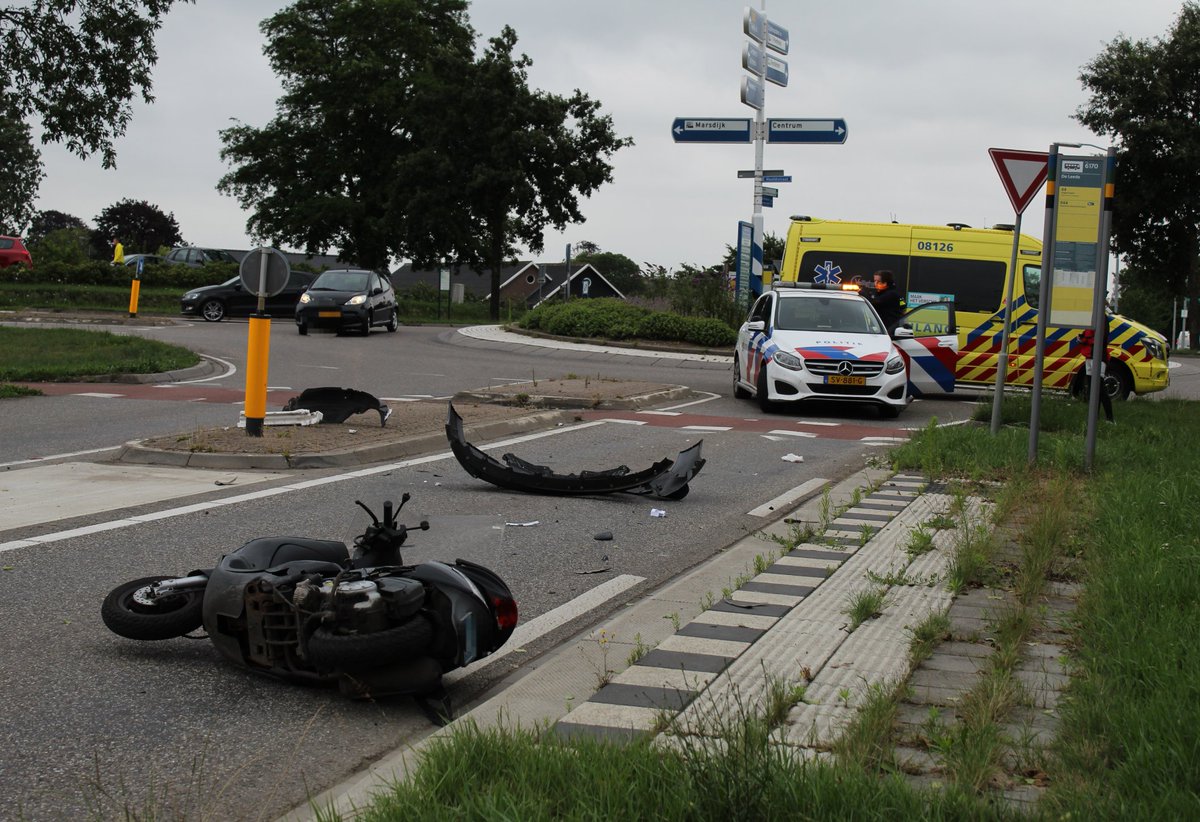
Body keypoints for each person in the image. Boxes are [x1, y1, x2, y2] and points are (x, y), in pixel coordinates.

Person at [1079, 326, 1114, 423]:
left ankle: (1110, 418)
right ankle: (1095, 417)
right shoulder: (1091, 317)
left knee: (1100, 388)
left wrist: (1085, 340)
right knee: (1092, 389)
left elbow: (1102, 338)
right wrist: (1082, 339)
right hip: (1089, 356)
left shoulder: (1101, 317)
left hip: (1098, 357)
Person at [869, 269, 904, 334]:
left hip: (888, 330)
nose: (875, 283)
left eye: (878, 281)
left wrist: (862, 293)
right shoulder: (880, 293)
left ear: (886, 283)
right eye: (875, 281)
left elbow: (874, 303)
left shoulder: (891, 294)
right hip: (879, 329)